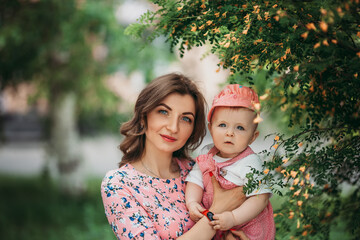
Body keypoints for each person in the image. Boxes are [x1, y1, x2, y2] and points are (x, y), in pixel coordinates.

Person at [101, 73, 247, 240]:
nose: (173, 127)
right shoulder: (119, 184)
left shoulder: (199, 171)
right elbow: (222, 208)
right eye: (163, 112)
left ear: (193, 129)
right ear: (144, 116)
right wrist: (216, 212)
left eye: (185, 118)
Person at [185, 84, 276, 240]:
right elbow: (195, 181)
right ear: (211, 128)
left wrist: (233, 217)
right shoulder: (207, 154)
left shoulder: (250, 162)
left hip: (245, 225)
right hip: (216, 224)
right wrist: (192, 202)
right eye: (222, 125)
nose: (229, 133)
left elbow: (260, 198)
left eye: (240, 128)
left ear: (252, 137)